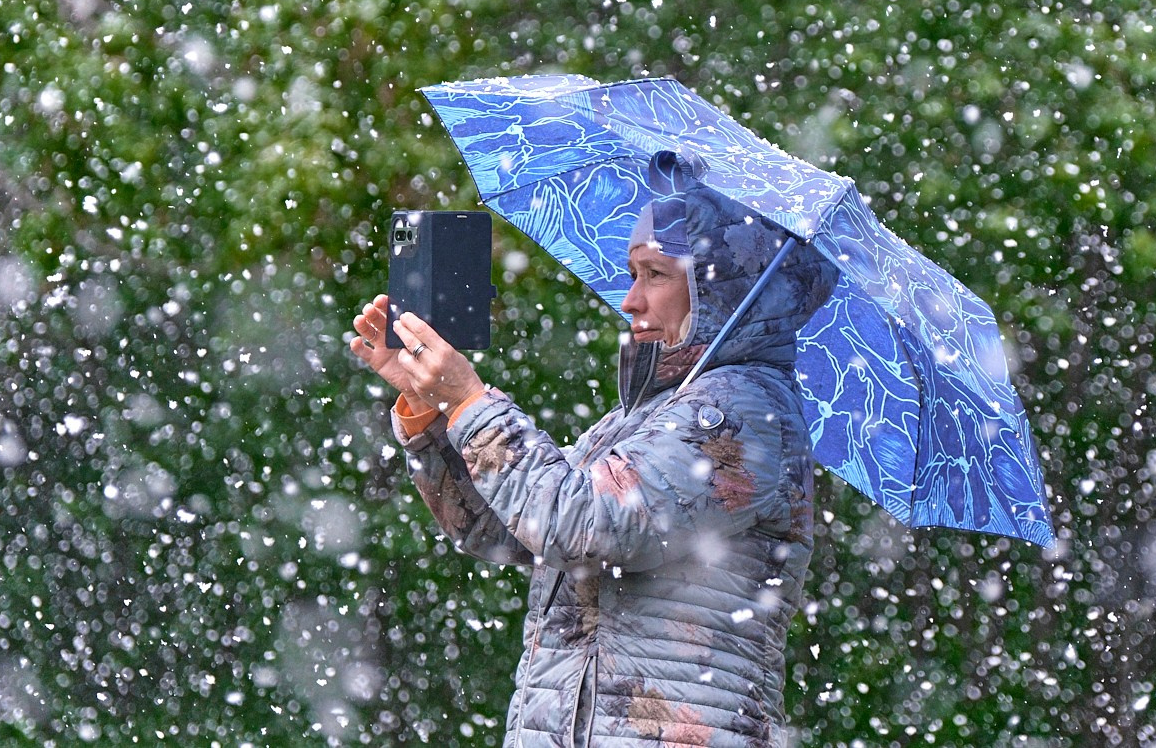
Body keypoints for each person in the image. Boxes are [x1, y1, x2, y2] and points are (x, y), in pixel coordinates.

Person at [349, 183, 839, 747]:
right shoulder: (645, 416)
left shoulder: (742, 414)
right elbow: (506, 530)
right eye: (633, 274)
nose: (631, 300)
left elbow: (582, 526)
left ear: (723, 289)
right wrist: (429, 410)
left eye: (655, 275)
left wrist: (470, 402)